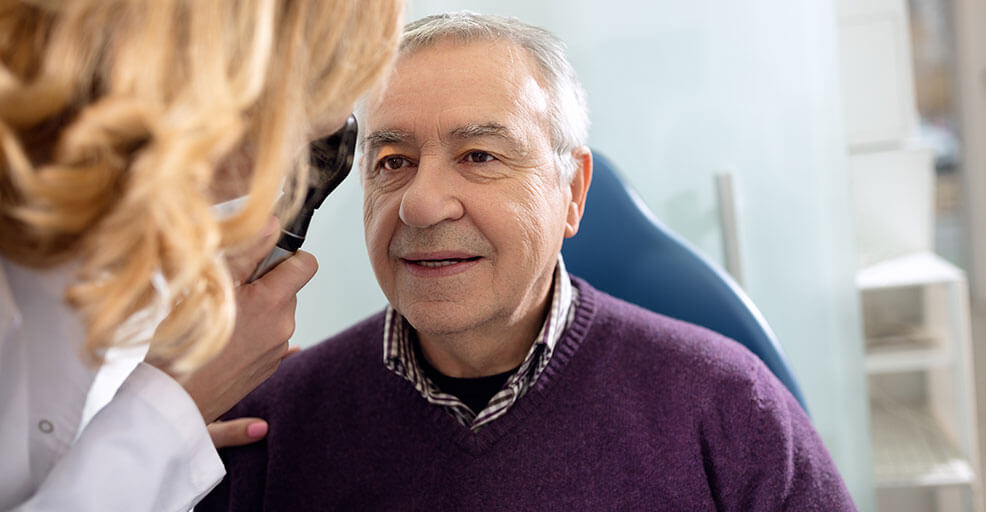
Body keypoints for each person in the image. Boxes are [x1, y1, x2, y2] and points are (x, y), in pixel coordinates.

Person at [201, 12, 858, 511]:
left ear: (571, 193)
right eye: (393, 163)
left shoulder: (730, 411)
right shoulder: (264, 428)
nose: (422, 206)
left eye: (479, 156)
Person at [0, 1, 401, 510]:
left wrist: (148, 443)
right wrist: (167, 413)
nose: (282, 173)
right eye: (298, 131)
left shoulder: (128, 247)